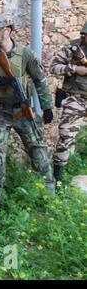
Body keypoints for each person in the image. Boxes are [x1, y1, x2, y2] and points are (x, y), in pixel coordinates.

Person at [0, 14, 55, 205]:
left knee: (37, 146)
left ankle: (49, 193)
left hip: (22, 109)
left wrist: (47, 106)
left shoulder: (25, 53)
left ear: (8, 30)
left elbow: (40, 80)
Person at [50, 20, 87, 184]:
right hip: (75, 99)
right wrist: (74, 69)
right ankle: (57, 175)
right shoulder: (74, 48)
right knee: (65, 135)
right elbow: (53, 67)